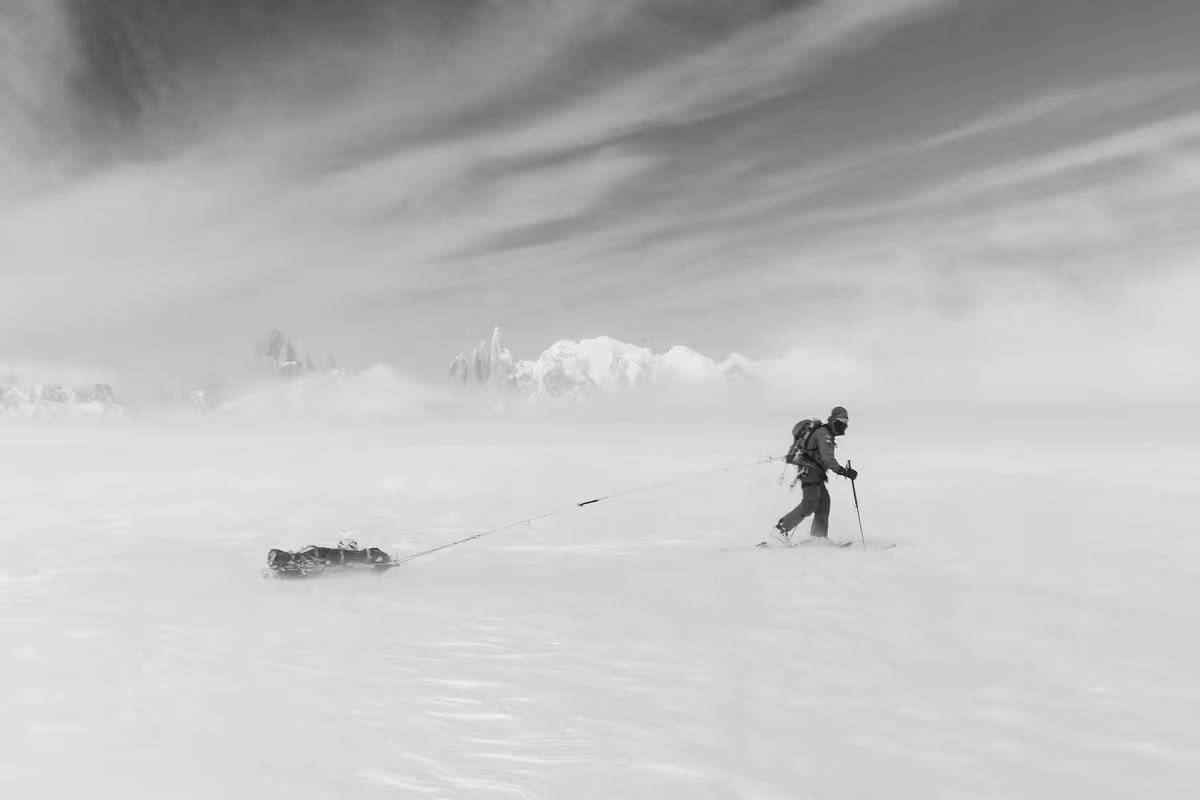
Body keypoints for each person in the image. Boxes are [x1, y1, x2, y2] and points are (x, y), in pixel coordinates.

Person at [772, 406, 858, 545]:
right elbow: (827, 458)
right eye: (841, 420)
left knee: (823, 503)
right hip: (810, 473)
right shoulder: (825, 434)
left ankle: (818, 538)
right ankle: (780, 529)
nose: (844, 424)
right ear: (833, 420)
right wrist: (843, 471)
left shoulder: (826, 433)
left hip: (816, 474)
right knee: (808, 504)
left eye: (846, 421)